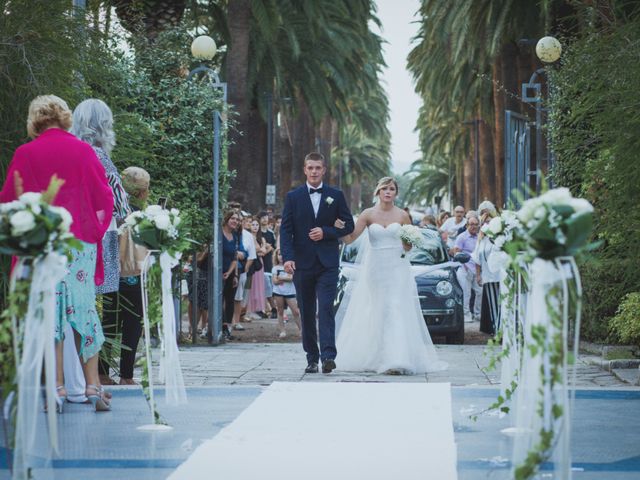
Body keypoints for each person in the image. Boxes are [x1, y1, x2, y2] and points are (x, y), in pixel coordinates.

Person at [0, 95, 114, 411]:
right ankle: (92, 386)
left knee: (50, 311)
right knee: (83, 308)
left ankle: (58, 388)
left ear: (34, 119)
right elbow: (104, 198)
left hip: (42, 246)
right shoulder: (84, 151)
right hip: (80, 245)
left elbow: (10, 199)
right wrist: (93, 232)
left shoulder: (25, 153)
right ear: (65, 117)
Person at [333, 177, 446, 375]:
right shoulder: (367, 214)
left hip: (397, 268)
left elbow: (407, 247)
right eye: (384, 188)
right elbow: (350, 239)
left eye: (391, 189)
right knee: (377, 309)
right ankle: (375, 355)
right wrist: (338, 228)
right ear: (378, 191)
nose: (388, 192)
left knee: (395, 307)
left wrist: (411, 240)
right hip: (375, 269)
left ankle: (397, 359)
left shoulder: (402, 215)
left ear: (396, 193)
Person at [71, 99, 131, 386]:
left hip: (74, 235)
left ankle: (79, 369)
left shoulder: (71, 153)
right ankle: (97, 373)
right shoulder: (100, 157)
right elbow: (118, 205)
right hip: (100, 236)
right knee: (98, 304)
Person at [280, 152, 354, 374]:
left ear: (324, 170)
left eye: (318, 168)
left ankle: (328, 356)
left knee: (325, 309)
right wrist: (288, 257)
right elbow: (286, 230)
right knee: (306, 310)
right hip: (301, 263)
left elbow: (348, 225)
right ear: (305, 169)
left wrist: (326, 232)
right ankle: (312, 357)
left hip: (327, 263)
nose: (314, 171)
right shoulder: (293, 197)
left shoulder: (336, 195)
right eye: (310, 168)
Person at [102, 166, 149, 385]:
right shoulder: (135, 210)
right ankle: (126, 375)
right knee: (132, 322)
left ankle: (102, 372)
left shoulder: (108, 199)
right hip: (131, 272)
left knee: (109, 320)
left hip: (109, 270)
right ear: (142, 189)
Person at [473, 211, 501, 335]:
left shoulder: (498, 239)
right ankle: (496, 329)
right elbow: (477, 259)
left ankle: (498, 330)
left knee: (498, 304)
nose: (487, 224)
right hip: (487, 277)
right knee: (492, 304)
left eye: (489, 222)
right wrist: (478, 275)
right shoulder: (481, 240)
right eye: (485, 222)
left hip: (498, 277)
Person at [453, 213, 482, 323]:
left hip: (477, 269)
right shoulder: (462, 237)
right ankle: (466, 315)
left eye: (476, 224)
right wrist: (464, 266)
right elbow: (456, 253)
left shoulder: (480, 236)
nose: (474, 226)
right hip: (465, 269)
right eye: (471, 224)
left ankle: (478, 313)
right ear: (467, 225)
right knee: (466, 293)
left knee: (480, 292)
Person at [272, 249, 301, 338]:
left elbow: (291, 278)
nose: (281, 256)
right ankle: (282, 331)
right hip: (278, 292)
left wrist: (281, 278)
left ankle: (301, 330)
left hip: (290, 292)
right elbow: (275, 281)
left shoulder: (291, 266)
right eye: (279, 254)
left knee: (296, 311)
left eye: (282, 254)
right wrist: (285, 278)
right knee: (280, 311)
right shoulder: (275, 268)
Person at [221, 210, 240, 336]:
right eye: (233, 218)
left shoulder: (235, 236)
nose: (235, 221)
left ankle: (227, 327)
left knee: (230, 300)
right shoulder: (219, 234)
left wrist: (234, 274)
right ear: (227, 219)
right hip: (217, 272)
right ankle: (220, 326)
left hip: (230, 271)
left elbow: (235, 257)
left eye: (237, 219)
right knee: (218, 299)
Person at [257, 211, 277, 318]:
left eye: (266, 217)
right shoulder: (257, 232)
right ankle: (263, 309)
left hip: (268, 262)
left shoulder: (270, 233)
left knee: (268, 286)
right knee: (260, 287)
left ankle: (273, 309)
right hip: (258, 262)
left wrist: (267, 249)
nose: (265, 219)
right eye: (262, 217)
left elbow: (273, 246)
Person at [246, 217, 266, 316]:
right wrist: (260, 249)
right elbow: (259, 249)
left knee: (259, 286)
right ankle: (248, 310)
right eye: (253, 224)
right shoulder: (248, 236)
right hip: (251, 262)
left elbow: (263, 251)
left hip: (259, 263)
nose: (255, 227)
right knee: (250, 286)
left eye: (257, 225)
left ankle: (256, 308)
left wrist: (260, 250)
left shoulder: (261, 238)